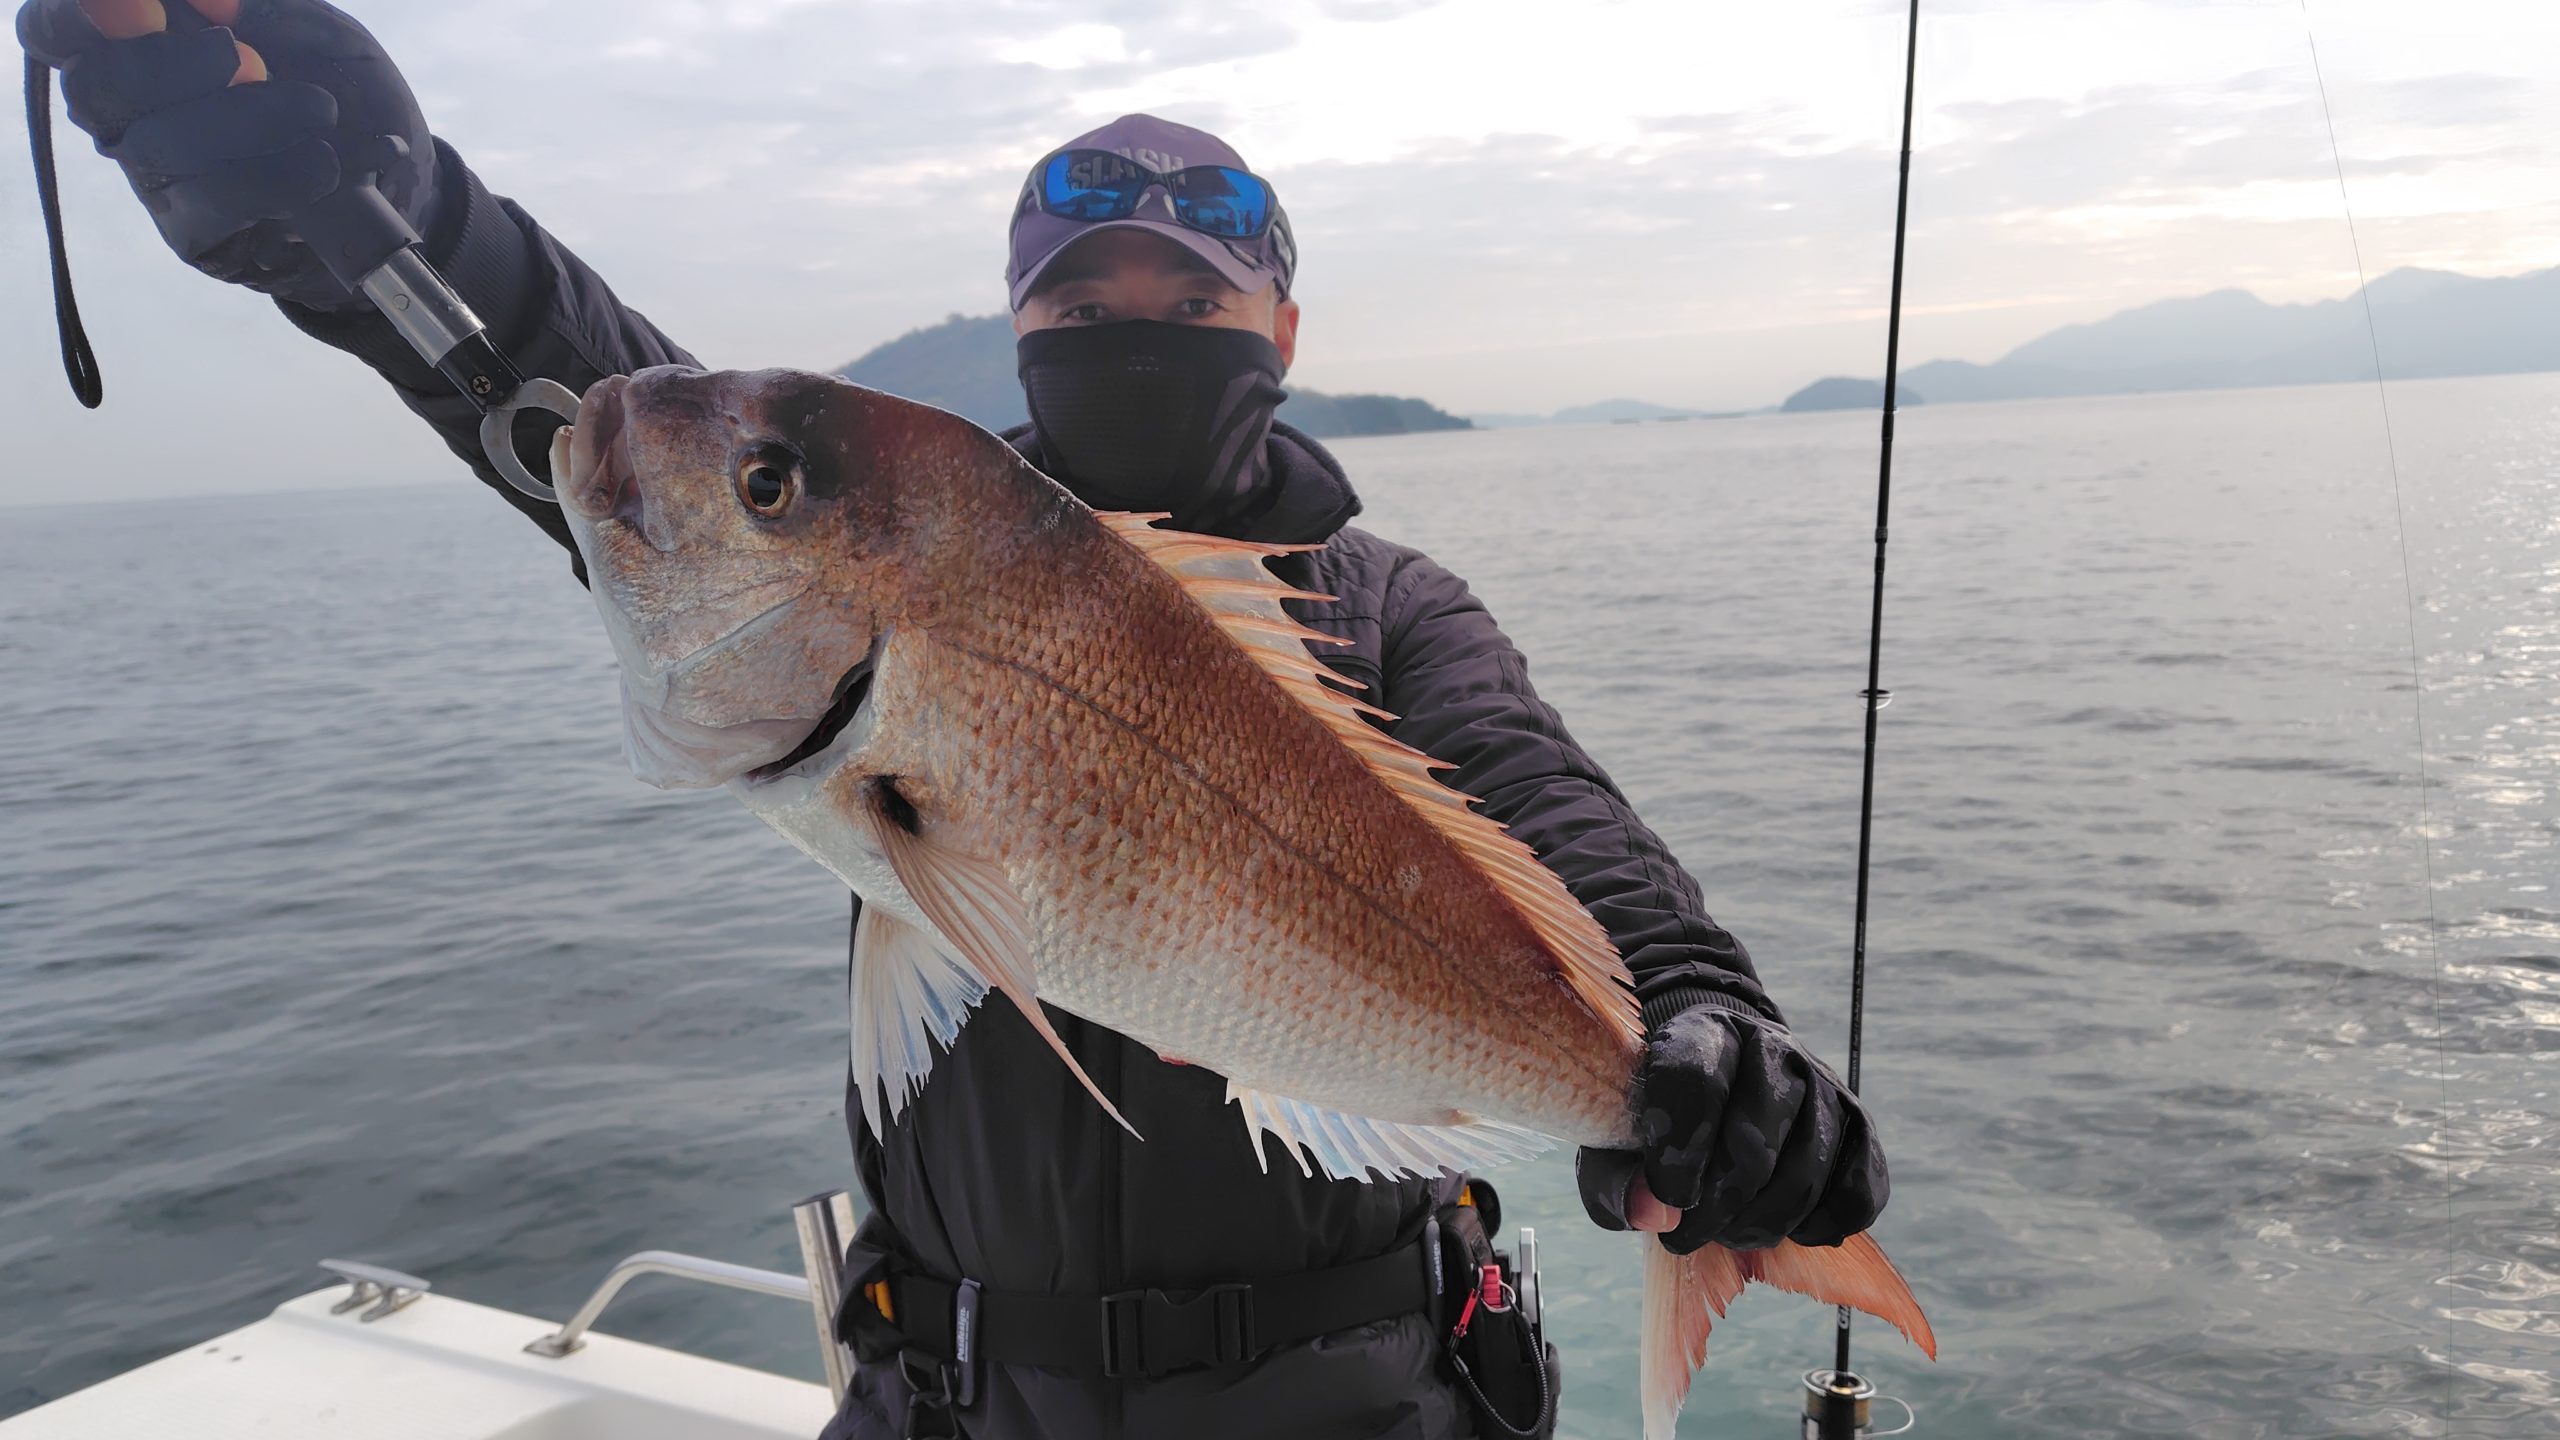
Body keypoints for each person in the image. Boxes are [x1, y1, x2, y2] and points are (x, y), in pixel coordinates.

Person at [19, 4, 1894, 1436]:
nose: (1133, 319)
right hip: (960, 1396)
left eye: (1192, 291)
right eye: (1084, 291)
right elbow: (586, 395)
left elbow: (1552, 816)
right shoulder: (904, 548)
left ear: (1283, 331)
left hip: (1365, 1398)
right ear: (1017, 325)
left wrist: (1706, 1024)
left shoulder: (1383, 605)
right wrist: (352, 203)